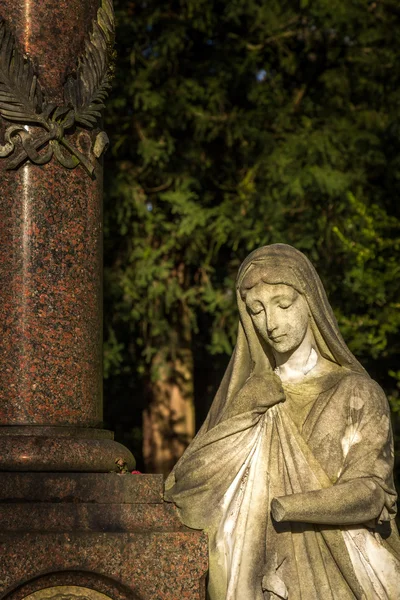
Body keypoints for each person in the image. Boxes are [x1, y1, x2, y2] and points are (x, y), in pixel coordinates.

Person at [165, 244, 400, 600]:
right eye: (256, 310)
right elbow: (188, 487)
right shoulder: (250, 396)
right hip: (260, 578)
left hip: (346, 576)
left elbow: (371, 494)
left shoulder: (357, 392)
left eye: (283, 304)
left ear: (310, 302)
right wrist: (245, 407)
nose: (271, 323)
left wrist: (289, 505)